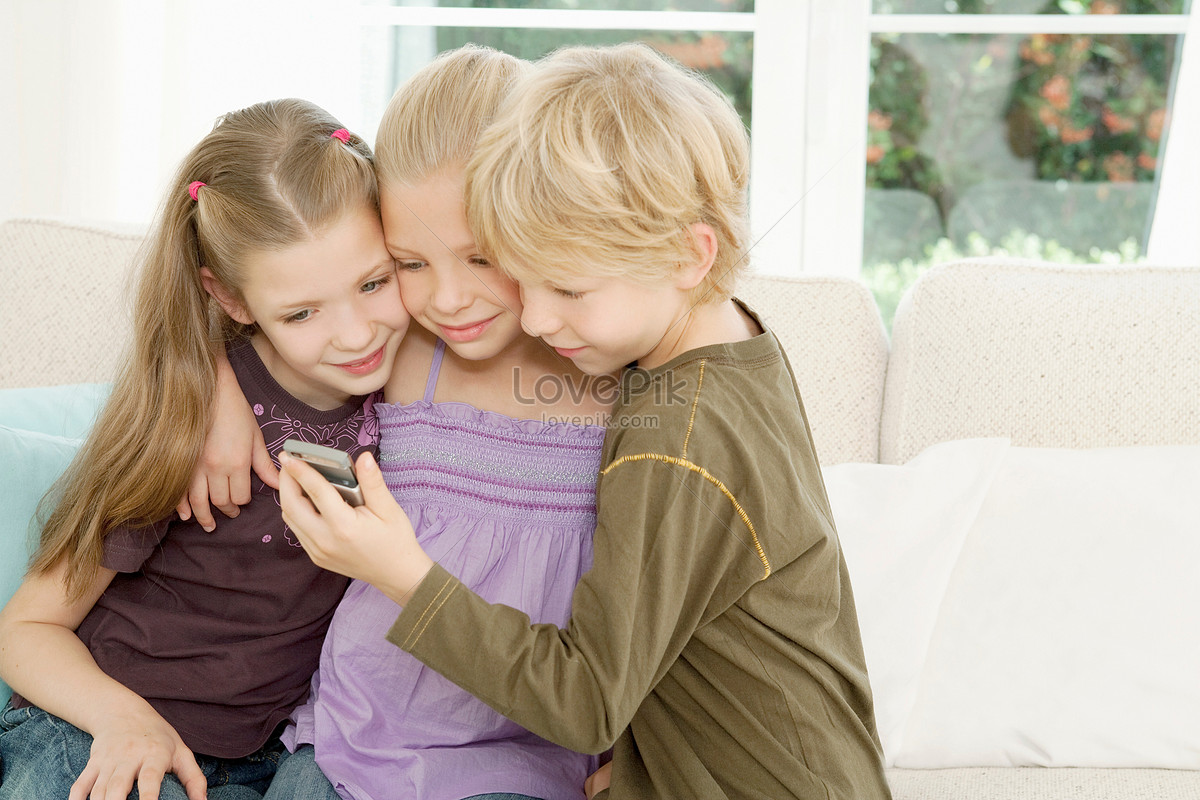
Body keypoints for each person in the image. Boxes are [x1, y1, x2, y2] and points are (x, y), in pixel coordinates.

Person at [279, 43, 894, 800]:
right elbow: (674, 611)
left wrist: (403, 572)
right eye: (525, 275)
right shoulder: (733, 345)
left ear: (689, 255)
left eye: (565, 286)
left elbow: (585, 696)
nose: (536, 316)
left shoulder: (675, 439)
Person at [193, 46, 611, 800]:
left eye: (482, 257)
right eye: (411, 263)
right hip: (354, 732)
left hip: (525, 752)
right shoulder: (406, 346)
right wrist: (217, 389)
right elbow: (277, 306)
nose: (448, 299)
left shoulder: (606, 363)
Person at [0, 98, 408, 800]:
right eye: (302, 312)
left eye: (374, 282)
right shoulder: (184, 417)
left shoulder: (421, 394)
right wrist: (124, 720)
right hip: (97, 727)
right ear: (232, 299)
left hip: (261, 763)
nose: (356, 334)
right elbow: (29, 627)